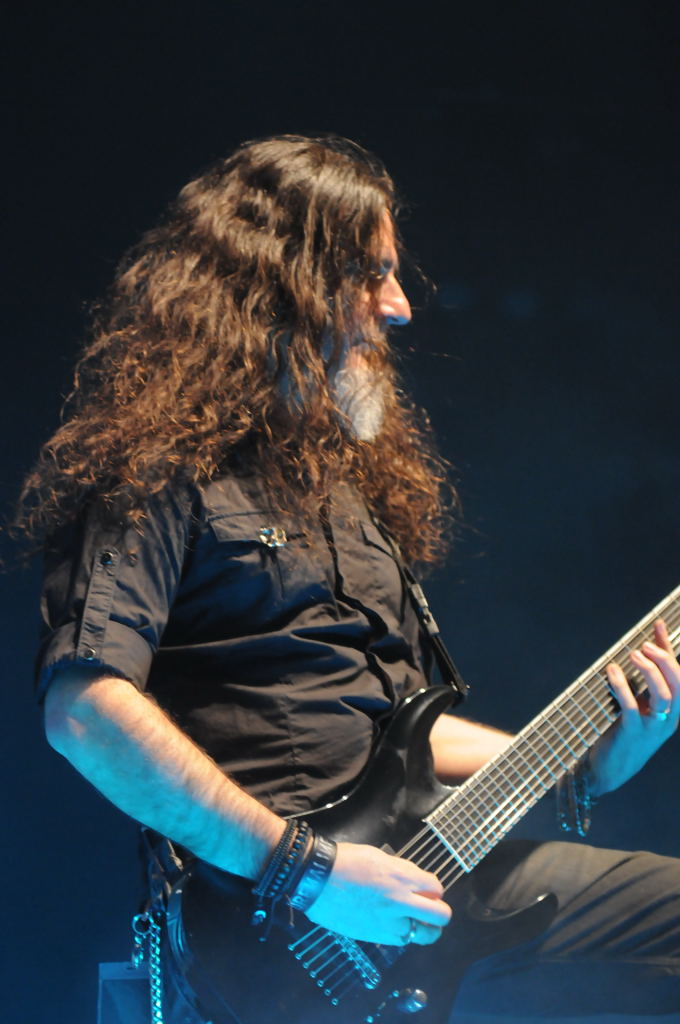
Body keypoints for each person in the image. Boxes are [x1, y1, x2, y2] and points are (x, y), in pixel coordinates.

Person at [18, 134, 680, 1022]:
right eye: (373, 276)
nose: (399, 308)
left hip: (421, 881)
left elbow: (399, 734)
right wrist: (310, 873)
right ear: (279, 284)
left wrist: (587, 761)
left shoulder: (348, 492)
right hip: (276, 923)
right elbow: (86, 713)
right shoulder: (158, 471)